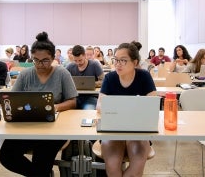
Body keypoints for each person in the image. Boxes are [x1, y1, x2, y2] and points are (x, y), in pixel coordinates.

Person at [0, 32, 77, 176]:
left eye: (45, 60)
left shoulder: (62, 73)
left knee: (41, 160)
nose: (40, 65)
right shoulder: (25, 75)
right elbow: (12, 98)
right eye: (36, 60)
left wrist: (56, 107)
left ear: (53, 58)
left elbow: (72, 101)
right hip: (28, 125)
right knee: (6, 156)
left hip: (54, 129)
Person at [96, 42, 157, 177]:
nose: (118, 64)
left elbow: (153, 104)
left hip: (139, 130)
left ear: (135, 62)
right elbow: (99, 105)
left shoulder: (144, 76)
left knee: (135, 171)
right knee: (112, 168)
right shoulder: (110, 77)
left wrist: (119, 108)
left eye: (123, 60)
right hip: (113, 129)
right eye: (116, 60)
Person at [66, 45, 104, 109]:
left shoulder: (94, 65)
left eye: (80, 60)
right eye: (75, 60)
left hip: (91, 97)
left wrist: (92, 84)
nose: (78, 63)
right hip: (74, 98)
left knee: (89, 111)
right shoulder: (70, 66)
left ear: (84, 55)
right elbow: (63, 81)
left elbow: (104, 81)